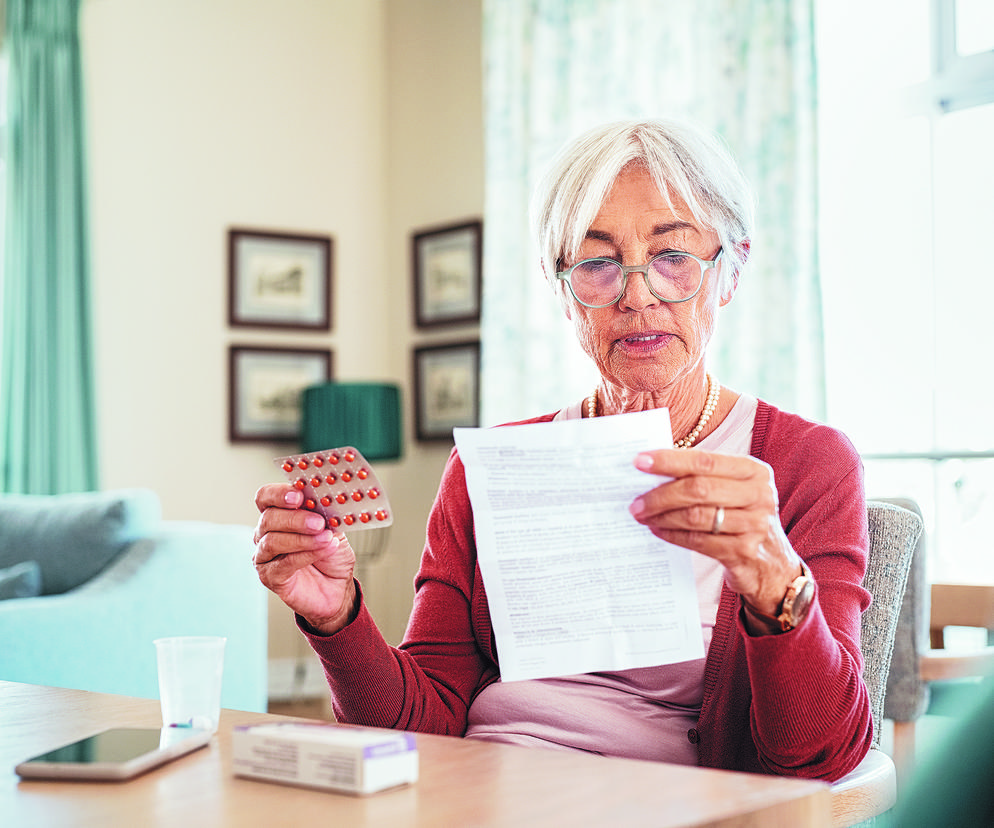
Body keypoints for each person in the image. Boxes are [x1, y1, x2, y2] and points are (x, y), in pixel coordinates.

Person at [253, 118, 872, 781]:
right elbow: (420, 728)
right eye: (599, 264)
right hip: (478, 792)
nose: (638, 294)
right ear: (562, 289)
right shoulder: (487, 469)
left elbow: (821, 757)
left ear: (730, 273)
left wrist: (776, 579)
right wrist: (338, 617)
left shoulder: (808, 465)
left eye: (673, 258)